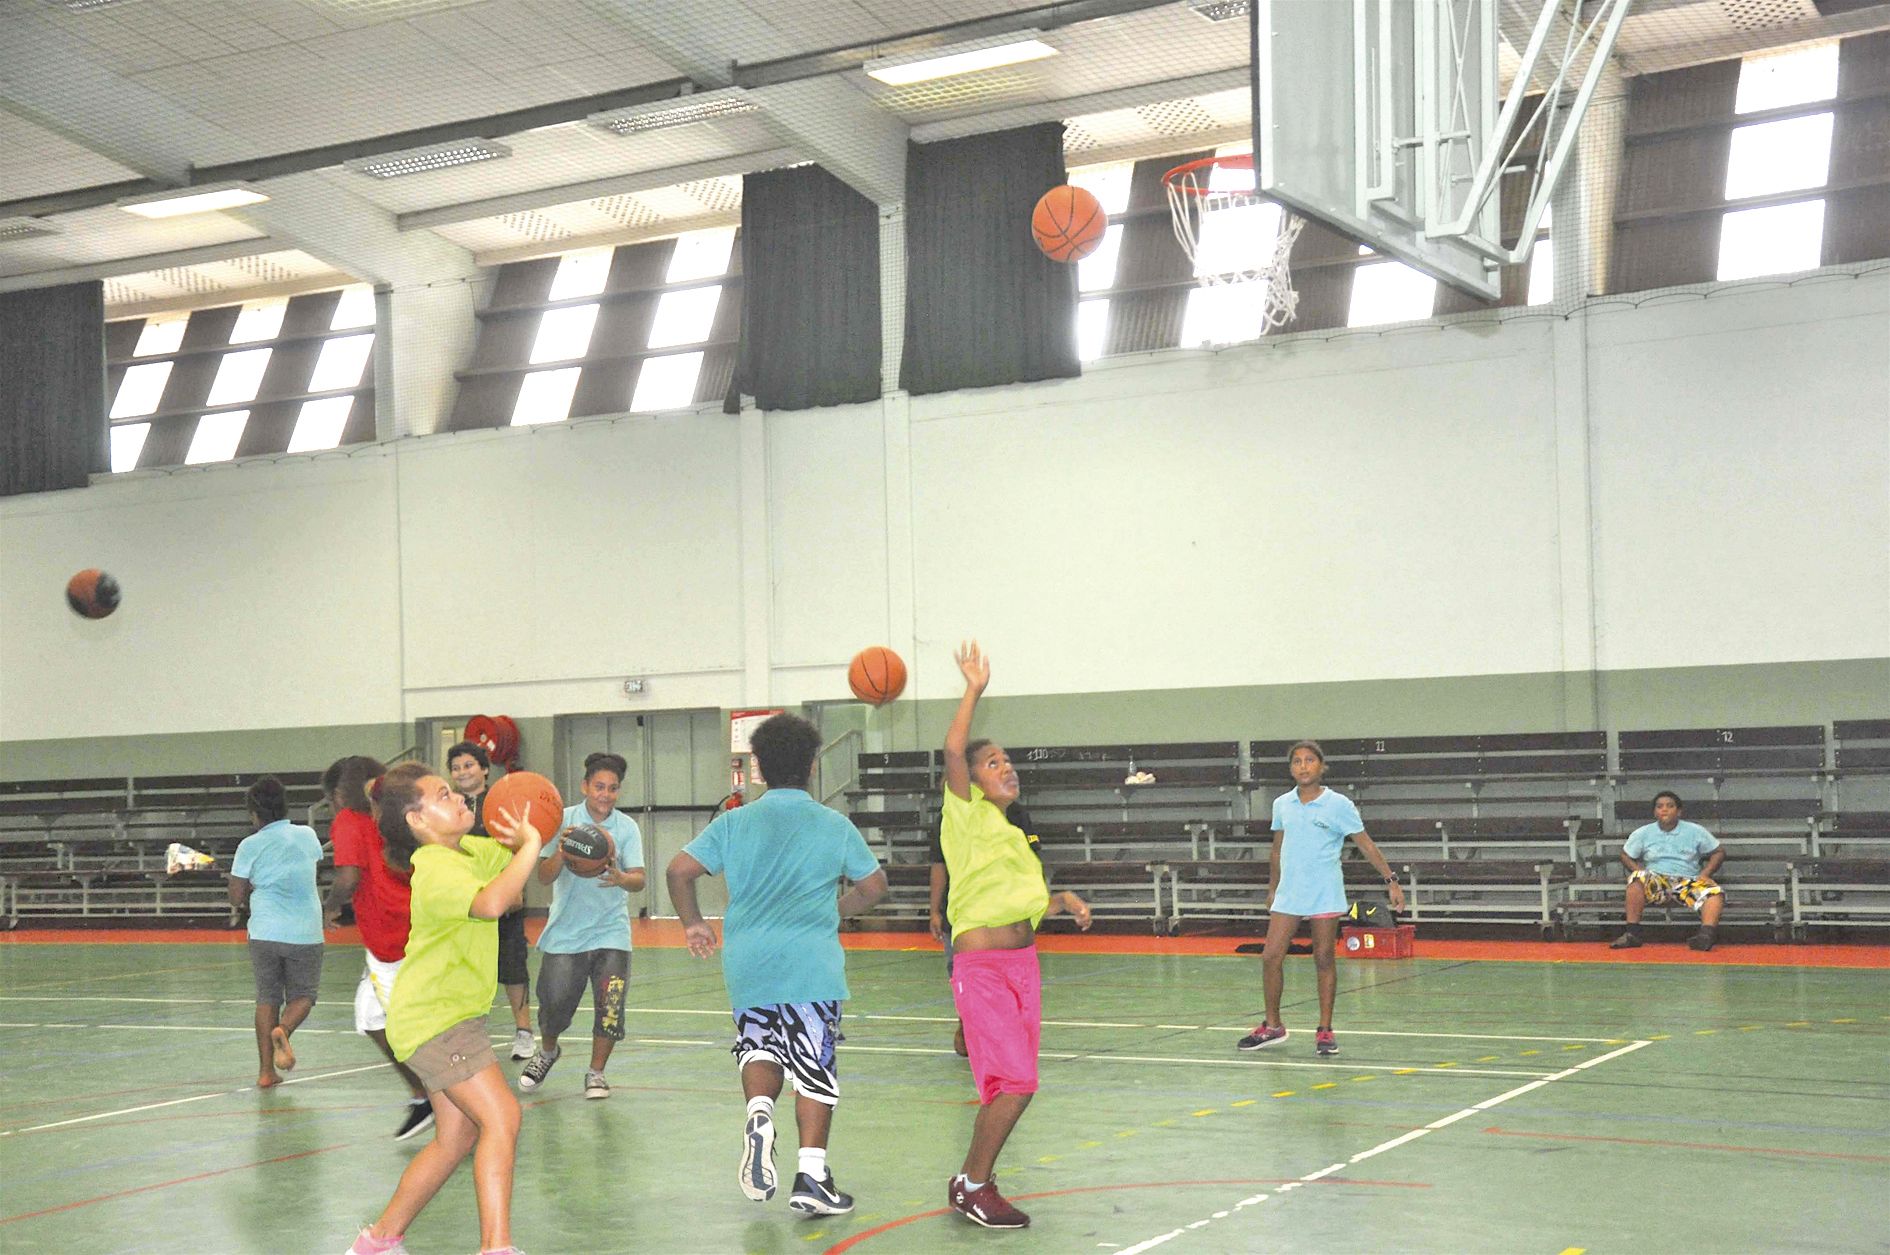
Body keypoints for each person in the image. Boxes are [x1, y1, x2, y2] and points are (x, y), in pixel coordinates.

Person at [666, 712, 888, 1219]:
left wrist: (693, 923)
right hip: (810, 963)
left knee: (759, 1045)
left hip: (748, 963)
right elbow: (875, 887)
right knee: (812, 1069)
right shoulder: (834, 825)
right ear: (812, 766)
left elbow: (679, 870)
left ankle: (759, 1113)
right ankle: (812, 1174)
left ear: (759, 767)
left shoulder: (733, 822)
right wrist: (837, 909)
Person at [347, 761, 546, 1255]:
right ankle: (496, 1247)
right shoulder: (435, 868)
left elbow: (514, 880)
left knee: (454, 1138)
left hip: (441, 1018)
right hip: (439, 1021)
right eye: (442, 795)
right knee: (501, 1120)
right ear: (417, 821)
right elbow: (492, 904)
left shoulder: (467, 850)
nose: (458, 797)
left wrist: (531, 834)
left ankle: (377, 1242)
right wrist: (532, 846)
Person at [939, 641, 1092, 1231]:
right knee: (1017, 1084)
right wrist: (973, 689)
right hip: (982, 970)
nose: (1008, 769)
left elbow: (1018, 903)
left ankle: (970, 1181)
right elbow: (954, 748)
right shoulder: (966, 813)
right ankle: (974, 1184)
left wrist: (1059, 898)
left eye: (1010, 762)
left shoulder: (1009, 831)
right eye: (995, 762)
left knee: (1011, 1083)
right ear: (972, 781)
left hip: (1025, 966)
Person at [1235, 740, 1405, 1057]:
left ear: (1321, 766)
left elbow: (1365, 844)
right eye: (1297, 761)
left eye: (1309, 760)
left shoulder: (1338, 805)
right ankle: (1273, 1026)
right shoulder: (1282, 804)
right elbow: (1276, 849)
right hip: (1290, 892)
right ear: (1291, 769)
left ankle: (1325, 1030)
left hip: (1324, 892)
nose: (1303, 766)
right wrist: (1273, 887)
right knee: (1271, 956)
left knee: (1324, 959)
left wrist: (1391, 879)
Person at [519, 751, 646, 1100]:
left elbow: (639, 881)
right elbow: (543, 877)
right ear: (585, 786)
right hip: (566, 933)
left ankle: (596, 1073)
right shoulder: (561, 820)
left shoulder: (626, 828)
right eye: (599, 786)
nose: (605, 794)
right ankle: (547, 1052)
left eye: (613, 788)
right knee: (554, 1006)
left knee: (610, 1007)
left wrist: (620, 877)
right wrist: (562, 849)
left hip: (612, 933)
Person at [319, 754, 433, 1141]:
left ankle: (436, 1095)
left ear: (338, 793)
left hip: (391, 938)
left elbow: (349, 877)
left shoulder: (349, 820)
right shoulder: (398, 812)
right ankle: (429, 1095)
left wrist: (330, 905)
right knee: (380, 1016)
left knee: (378, 1019)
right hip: (420, 927)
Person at [229, 776, 324, 1090]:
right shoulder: (307, 835)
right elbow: (307, 868)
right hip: (305, 931)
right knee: (304, 996)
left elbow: (236, 896)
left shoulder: (249, 845)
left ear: (254, 814)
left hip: (265, 932)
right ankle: (284, 1028)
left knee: (267, 998)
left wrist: (251, 884)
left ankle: (266, 1072)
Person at [930, 800, 1043, 1059]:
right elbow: (939, 865)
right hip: (961, 917)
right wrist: (934, 909)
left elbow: (1032, 859)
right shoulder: (948, 815)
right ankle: (969, 1023)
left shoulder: (1015, 812)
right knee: (964, 978)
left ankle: (998, 1032)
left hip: (1005, 913)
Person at [450, 740, 534, 1061]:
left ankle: (524, 1032)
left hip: (503, 895)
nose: (462, 772)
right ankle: (469, 1036)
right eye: (456, 767)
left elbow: (519, 845)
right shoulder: (450, 807)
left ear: (484, 768)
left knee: (513, 967)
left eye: (469, 765)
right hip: (465, 901)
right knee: (466, 970)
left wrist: (516, 888)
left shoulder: (500, 802)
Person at [1611, 791, 1725, 952]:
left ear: (1679, 811)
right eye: (1659, 807)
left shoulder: (1695, 830)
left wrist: (1705, 874)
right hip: (1657, 881)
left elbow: (1718, 852)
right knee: (1636, 880)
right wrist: (1639, 870)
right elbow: (1625, 855)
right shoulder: (1643, 833)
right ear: (1654, 812)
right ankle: (1632, 934)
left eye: (1670, 806)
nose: (1664, 810)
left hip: (1688, 881)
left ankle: (1706, 936)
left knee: (1715, 892)